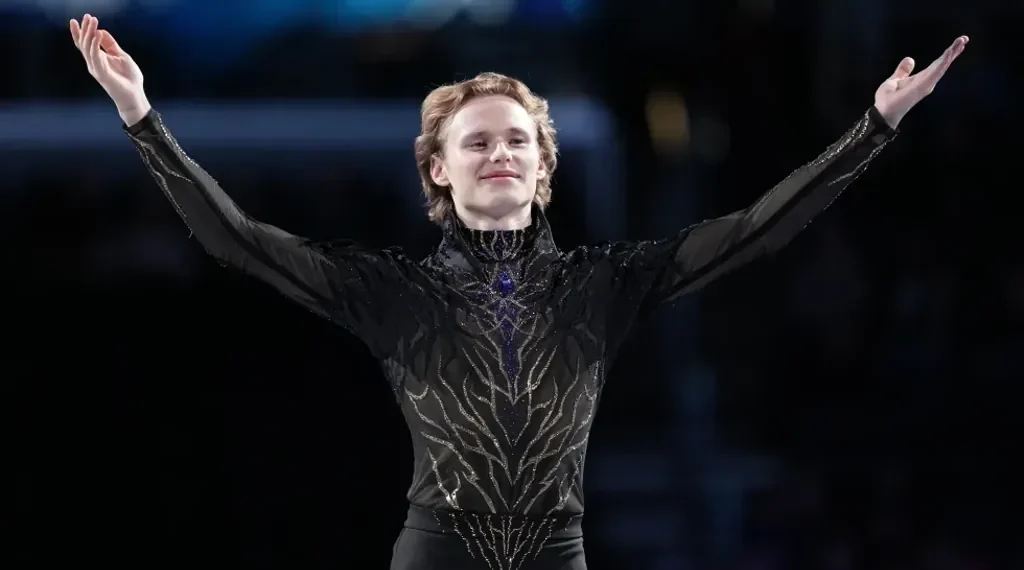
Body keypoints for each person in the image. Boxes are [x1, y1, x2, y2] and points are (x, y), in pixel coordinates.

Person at [69, 14, 967, 570]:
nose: (499, 153)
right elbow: (237, 239)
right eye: (477, 142)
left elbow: (757, 229)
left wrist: (875, 126)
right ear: (438, 169)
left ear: (543, 168)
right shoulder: (391, 292)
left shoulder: (607, 283)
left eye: (516, 142)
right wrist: (141, 117)